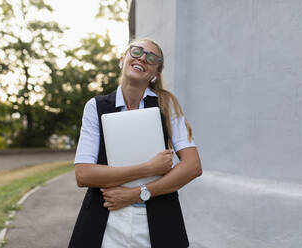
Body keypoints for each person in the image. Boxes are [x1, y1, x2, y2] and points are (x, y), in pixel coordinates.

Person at [68, 38, 202, 248]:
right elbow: (83, 174)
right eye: (137, 51)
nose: (142, 58)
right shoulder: (95, 106)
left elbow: (192, 167)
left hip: (159, 220)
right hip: (104, 218)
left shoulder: (167, 105)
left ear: (155, 74)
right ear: (123, 59)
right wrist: (148, 168)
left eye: (151, 57)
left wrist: (135, 194)